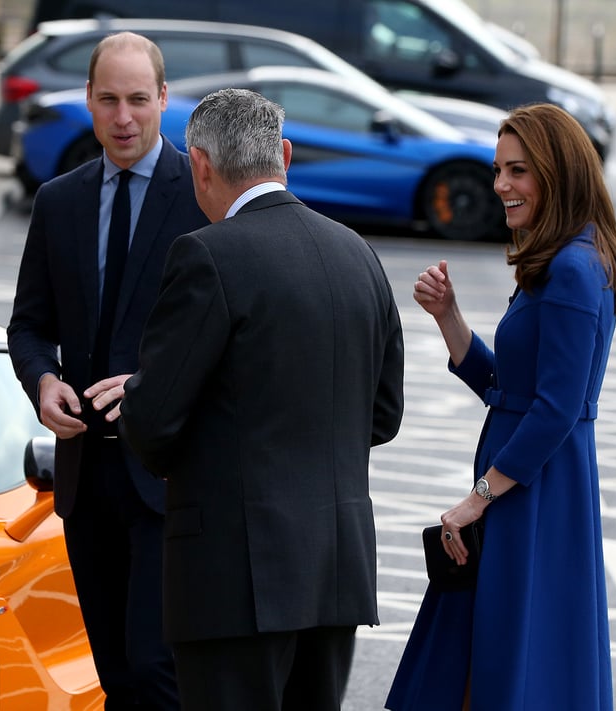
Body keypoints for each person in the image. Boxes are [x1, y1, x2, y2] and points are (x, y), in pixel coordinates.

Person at [114, 88, 405, 711]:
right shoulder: (360, 255)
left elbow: (154, 418)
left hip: (232, 578)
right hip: (334, 571)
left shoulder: (208, 255)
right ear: (286, 156)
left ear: (199, 165)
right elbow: (382, 416)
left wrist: (136, 396)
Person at [385, 103, 616, 711]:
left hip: (534, 492)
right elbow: (510, 388)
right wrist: (449, 319)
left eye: (518, 171)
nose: (501, 186)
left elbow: (556, 410)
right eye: (499, 170)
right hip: (522, 484)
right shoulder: (556, 261)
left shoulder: (575, 268)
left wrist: (480, 496)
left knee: (509, 660)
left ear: (558, 172)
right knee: (492, 654)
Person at [7, 31, 208, 710]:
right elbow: (28, 324)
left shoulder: (201, 200)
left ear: (164, 101)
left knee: (158, 669)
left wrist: (151, 388)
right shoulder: (59, 201)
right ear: (89, 102)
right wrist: (42, 381)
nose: (125, 117)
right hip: (85, 476)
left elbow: (227, 341)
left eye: (139, 100)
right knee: (114, 670)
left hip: (169, 477)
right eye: (110, 100)